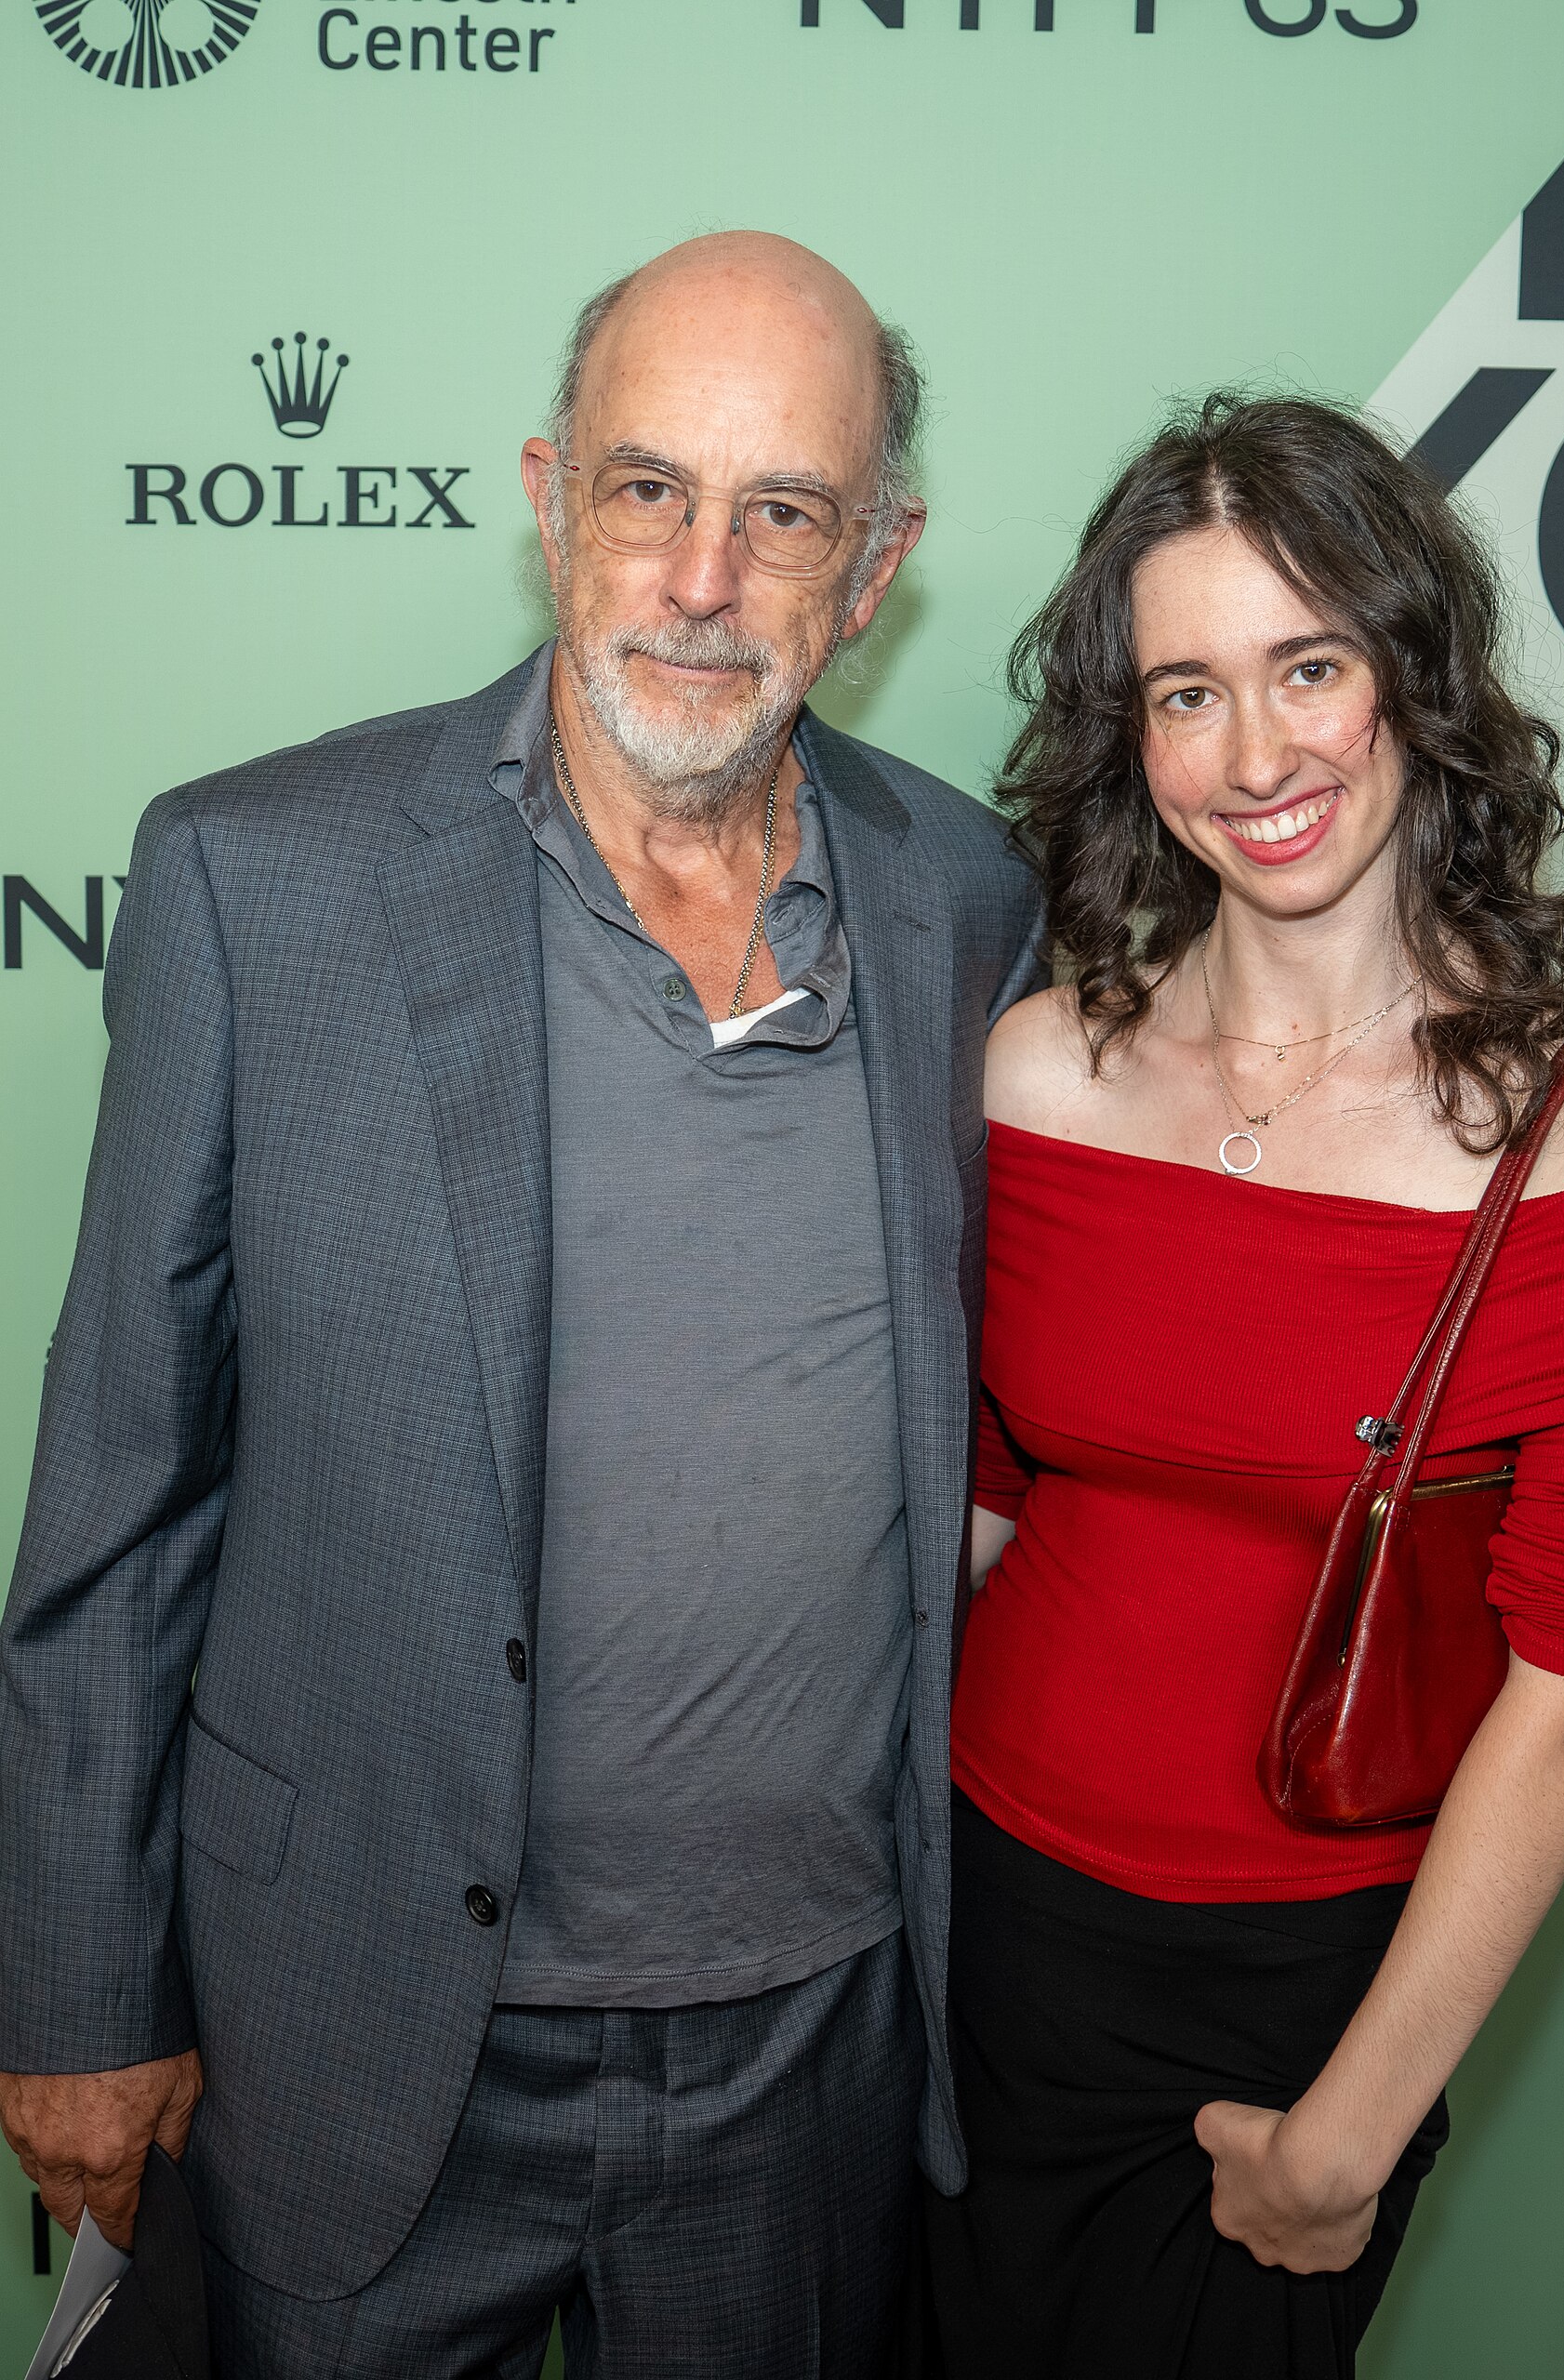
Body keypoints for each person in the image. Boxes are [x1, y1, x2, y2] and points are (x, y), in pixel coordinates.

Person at [0, 231, 1043, 2378]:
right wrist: (81, 1994)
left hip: (812, 2041)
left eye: (786, 513)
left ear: (878, 566)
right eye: (650, 489)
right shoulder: (255, 879)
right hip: (356, 2019)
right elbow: (120, 1489)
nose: (700, 574)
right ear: (551, 495)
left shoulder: (967, 903)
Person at [921, 392, 1564, 2378]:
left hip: (1299, 1997)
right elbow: (987, 1498)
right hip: (975, 1918)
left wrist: (1348, 2136)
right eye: (1187, 690)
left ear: (1411, 682)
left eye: (1308, 666)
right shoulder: (1039, 1065)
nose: (1255, 755)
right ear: (1131, 735)